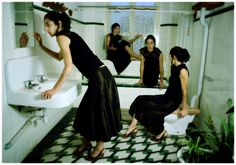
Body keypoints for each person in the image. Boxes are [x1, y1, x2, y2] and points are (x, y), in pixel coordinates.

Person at [34, 11, 122, 162]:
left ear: (58, 23)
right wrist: (41, 45)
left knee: (99, 114)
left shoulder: (62, 37)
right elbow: (59, 57)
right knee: (86, 112)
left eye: (48, 24)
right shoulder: (67, 36)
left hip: (100, 78)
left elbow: (67, 67)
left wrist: (54, 90)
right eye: (45, 25)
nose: (46, 29)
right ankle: (87, 141)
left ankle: (100, 147)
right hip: (101, 76)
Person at [122, 46, 190, 142]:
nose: (169, 57)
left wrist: (184, 109)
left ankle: (160, 132)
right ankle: (133, 126)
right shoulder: (174, 66)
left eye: (170, 55)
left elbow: (184, 91)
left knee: (147, 106)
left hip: (172, 101)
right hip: (166, 96)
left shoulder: (183, 71)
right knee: (140, 98)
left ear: (174, 56)